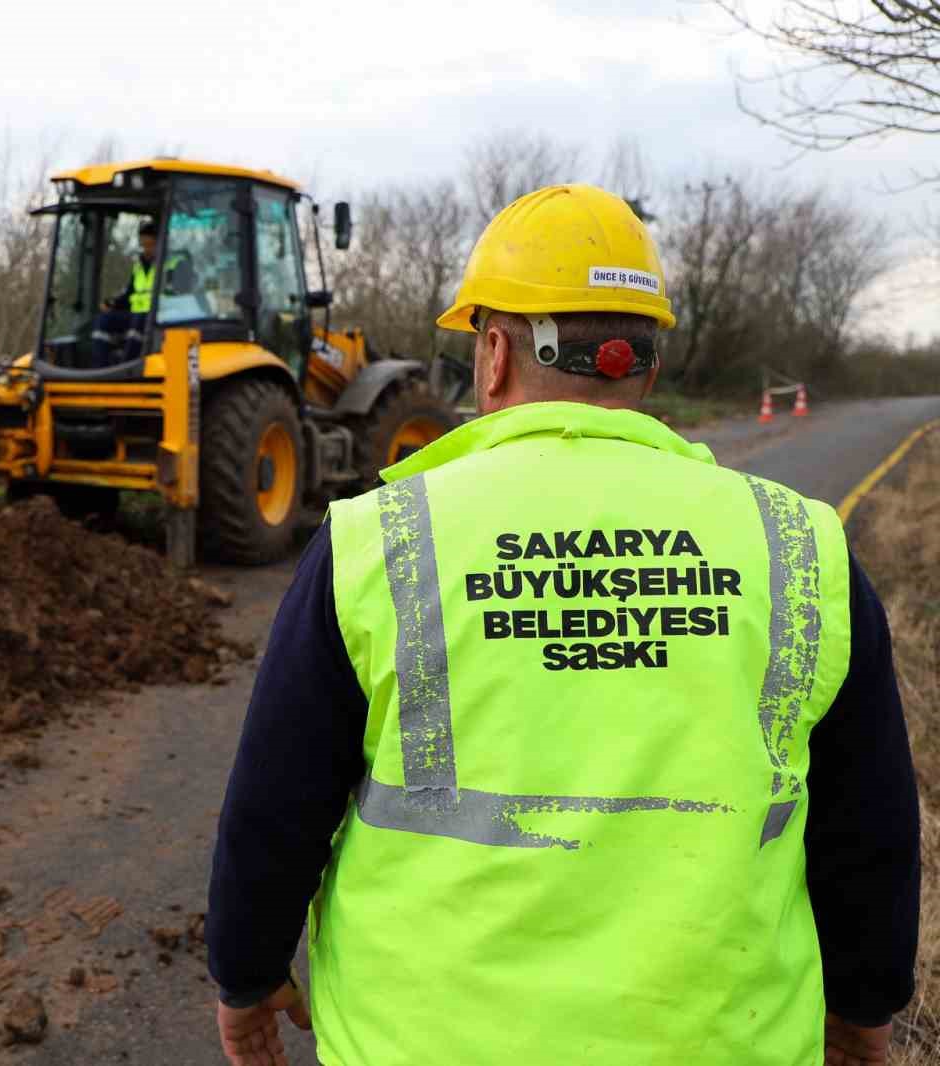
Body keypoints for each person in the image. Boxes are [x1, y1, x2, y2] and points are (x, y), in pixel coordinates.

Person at [206, 185, 919, 1066]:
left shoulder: (377, 540)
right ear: (646, 366)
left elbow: (277, 803)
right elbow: (869, 828)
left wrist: (245, 973)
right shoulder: (801, 545)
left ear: (494, 352)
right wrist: (862, 1010)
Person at [91, 221, 195, 366]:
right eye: (144, 245)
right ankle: (99, 368)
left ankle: (128, 366)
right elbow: (130, 294)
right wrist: (112, 303)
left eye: (151, 245)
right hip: (136, 315)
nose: (147, 249)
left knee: (138, 322)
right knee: (104, 320)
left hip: (161, 318)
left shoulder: (176, 264)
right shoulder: (139, 266)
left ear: (162, 242)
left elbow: (182, 297)